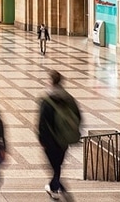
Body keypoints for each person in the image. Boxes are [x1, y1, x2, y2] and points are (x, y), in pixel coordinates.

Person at [38, 70, 82, 200]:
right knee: (58, 164)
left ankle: (56, 188)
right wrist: (71, 130)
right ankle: (56, 187)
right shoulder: (69, 98)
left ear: (51, 81)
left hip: (50, 139)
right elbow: (78, 116)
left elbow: (42, 122)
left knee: (54, 166)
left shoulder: (47, 100)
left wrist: (42, 139)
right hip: (64, 138)